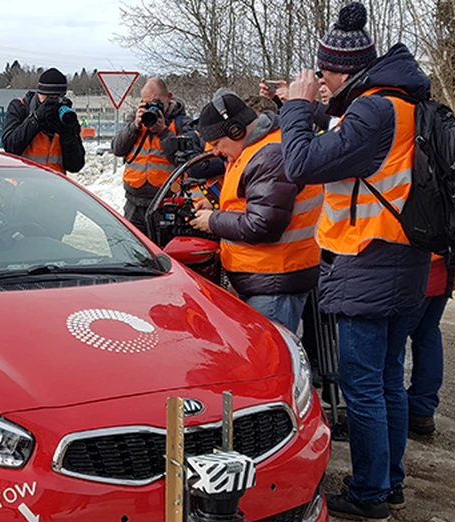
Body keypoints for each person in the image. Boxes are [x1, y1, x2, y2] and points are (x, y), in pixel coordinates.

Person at [280, 1, 433, 522]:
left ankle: (370, 492)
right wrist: (303, 105)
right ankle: (389, 484)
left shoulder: (372, 109)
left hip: (368, 256)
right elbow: (353, 141)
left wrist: (297, 112)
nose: (318, 81)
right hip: (402, 258)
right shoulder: (398, 102)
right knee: (387, 377)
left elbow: (301, 162)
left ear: (341, 69)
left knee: (363, 382)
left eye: (321, 73)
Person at [189, 90, 322, 333]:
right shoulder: (253, 150)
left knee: (268, 359)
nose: (216, 152)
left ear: (236, 131)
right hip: (268, 276)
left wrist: (214, 220)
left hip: (274, 280)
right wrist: (217, 206)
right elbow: (251, 200)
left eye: (218, 143)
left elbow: (264, 225)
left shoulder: (270, 155)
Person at [408, 244, 455, 435]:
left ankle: (387, 409)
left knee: (393, 341)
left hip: (420, 265)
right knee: (428, 331)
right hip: (449, 263)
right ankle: (422, 407)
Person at [111, 78, 197, 238]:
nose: (152, 108)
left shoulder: (182, 124)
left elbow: (185, 160)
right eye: (146, 103)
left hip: (165, 202)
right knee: (134, 250)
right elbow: (117, 149)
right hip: (134, 202)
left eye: (156, 102)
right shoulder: (134, 120)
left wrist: (164, 132)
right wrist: (134, 126)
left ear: (169, 97)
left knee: (162, 252)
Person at [2, 68, 85, 174]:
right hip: (22, 183)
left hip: (53, 186)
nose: (52, 103)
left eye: (57, 98)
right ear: (39, 94)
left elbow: (75, 165)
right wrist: (36, 119)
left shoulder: (65, 116)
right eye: (47, 97)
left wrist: (67, 132)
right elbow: (10, 147)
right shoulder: (21, 107)